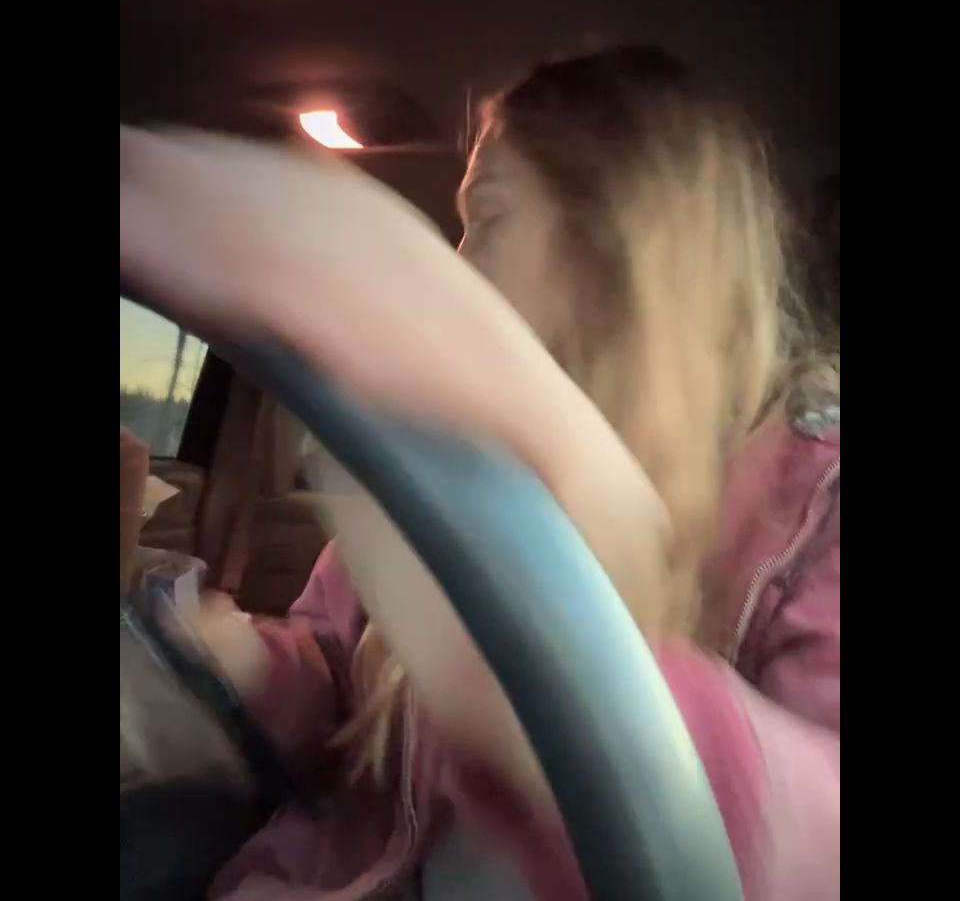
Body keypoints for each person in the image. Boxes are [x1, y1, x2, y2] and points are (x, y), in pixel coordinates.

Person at [119, 45, 839, 901]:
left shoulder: (814, 512)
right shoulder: (439, 472)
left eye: (486, 220)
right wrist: (250, 670)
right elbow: (343, 676)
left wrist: (561, 682)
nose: (458, 264)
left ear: (619, 250)